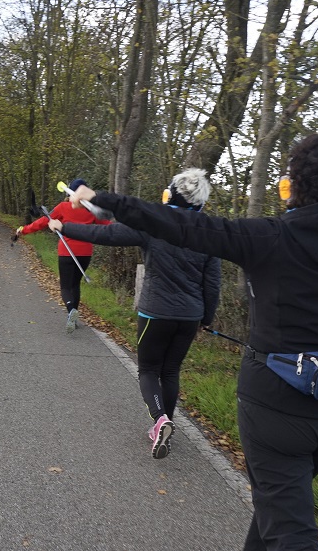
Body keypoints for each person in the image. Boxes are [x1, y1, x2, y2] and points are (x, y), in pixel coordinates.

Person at [67, 133, 318, 551]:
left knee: (287, 524)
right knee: (279, 504)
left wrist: (102, 199)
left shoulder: (267, 236)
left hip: (277, 404)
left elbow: (178, 223)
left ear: (295, 185)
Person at [49, 168, 221, 459]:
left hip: (156, 312)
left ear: (169, 196)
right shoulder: (209, 233)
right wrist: (206, 319)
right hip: (190, 316)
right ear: (201, 202)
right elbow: (213, 283)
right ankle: (164, 424)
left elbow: (104, 234)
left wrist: (63, 227)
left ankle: (160, 420)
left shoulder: (155, 225)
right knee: (171, 370)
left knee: (149, 370)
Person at [13, 179, 112, 333]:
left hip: (67, 252)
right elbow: (108, 226)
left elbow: (42, 222)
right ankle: (74, 317)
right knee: (75, 284)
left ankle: (71, 310)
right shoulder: (91, 210)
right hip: (85, 252)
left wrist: (23, 230)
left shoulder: (63, 207)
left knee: (65, 286)